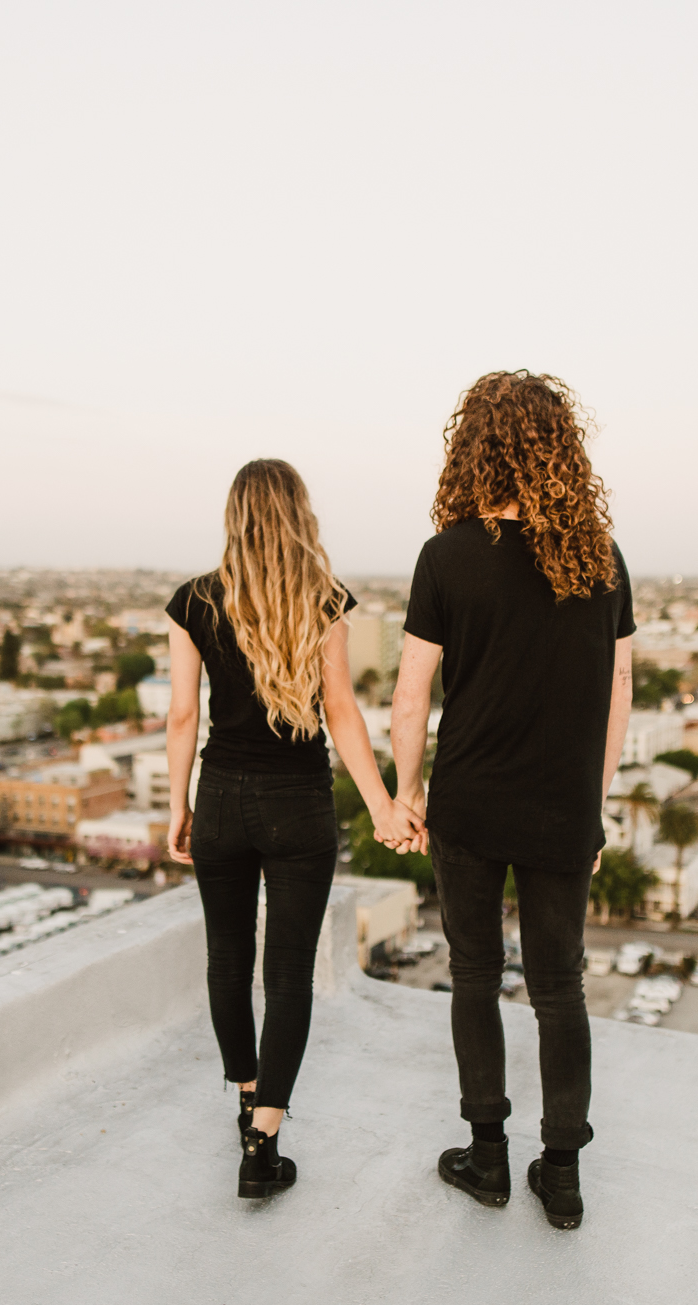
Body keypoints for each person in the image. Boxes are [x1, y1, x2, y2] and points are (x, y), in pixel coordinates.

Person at [391, 371, 634, 1231]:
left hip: (471, 798)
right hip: (560, 805)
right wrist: (592, 802)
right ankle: (561, 1172)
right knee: (559, 984)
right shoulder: (601, 555)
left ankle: (486, 1157)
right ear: (563, 447)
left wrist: (405, 789)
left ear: (473, 445)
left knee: (474, 973)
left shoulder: (447, 553)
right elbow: (618, 695)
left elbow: (411, 697)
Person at [165, 458, 423, 1201]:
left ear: (234, 515)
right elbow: (341, 710)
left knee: (226, 958)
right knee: (287, 975)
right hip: (298, 802)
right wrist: (379, 803)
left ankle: (246, 1093)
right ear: (298, 515)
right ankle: (264, 1139)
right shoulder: (325, 598)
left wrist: (176, 804)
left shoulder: (194, 600)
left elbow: (183, 715)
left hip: (219, 796)